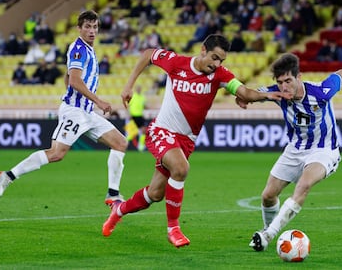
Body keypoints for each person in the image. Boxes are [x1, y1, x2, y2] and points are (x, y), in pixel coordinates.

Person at [102, 34, 292, 248]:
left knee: (155, 194)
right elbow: (148, 55)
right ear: (203, 50)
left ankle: (119, 210)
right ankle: (173, 228)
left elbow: (244, 92)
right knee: (181, 169)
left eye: (221, 60)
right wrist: (128, 86)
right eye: (214, 57)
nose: (216, 64)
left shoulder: (220, 75)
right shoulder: (177, 63)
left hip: (186, 141)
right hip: (162, 130)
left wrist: (267, 95)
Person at [0, 10, 128, 207]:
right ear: (79, 28)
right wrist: (98, 101)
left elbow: (68, 77)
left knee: (120, 143)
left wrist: (86, 100)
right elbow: (74, 80)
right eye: (88, 27)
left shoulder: (88, 49)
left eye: (95, 27)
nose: (92, 31)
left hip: (86, 111)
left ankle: (113, 194)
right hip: (75, 110)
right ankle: (8, 175)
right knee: (56, 153)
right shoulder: (79, 49)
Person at [243, 53, 342, 252]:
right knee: (268, 196)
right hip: (295, 149)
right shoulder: (277, 94)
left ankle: (268, 235)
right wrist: (246, 99)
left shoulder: (321, 91)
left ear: (299, 77)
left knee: (304, 184)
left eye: (288, 81)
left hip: (324, 149)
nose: (284, 87)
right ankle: (269, 230)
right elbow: (248, 93)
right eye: (280, 82)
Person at [126, 86, 147, 151]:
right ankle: (125, 144)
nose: (139, 89)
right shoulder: (132, 96)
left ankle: (141, 146)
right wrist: (129, 114)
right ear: (136, 89)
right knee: (130, 133)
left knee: (143, 131)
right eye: (138, 88)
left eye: (139, 88)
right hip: (133, 116)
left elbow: (144, 106)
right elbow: (127, 106)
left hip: (140, 116)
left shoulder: (142, 97)